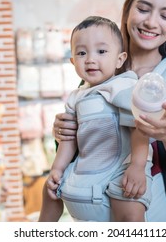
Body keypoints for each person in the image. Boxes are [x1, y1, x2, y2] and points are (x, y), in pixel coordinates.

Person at [51, 0, 166, 222]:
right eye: (143, 9)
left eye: (165, 15)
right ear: (128, 9)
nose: (152, 22)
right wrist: (63, 132)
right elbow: (81, 156)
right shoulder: (96, 72)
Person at [38, 16, 152, 222]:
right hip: (88, 167)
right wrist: (57, 168)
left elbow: (139, 128)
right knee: (49, 191)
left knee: (129, 209)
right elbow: (68, 139)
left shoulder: (123, 86)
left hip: (123, 165)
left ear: (120, 59)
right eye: (82, 53)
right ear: (72, 61)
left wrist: (137, 166)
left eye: (101, 51)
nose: (90, 59)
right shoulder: (76, 97)